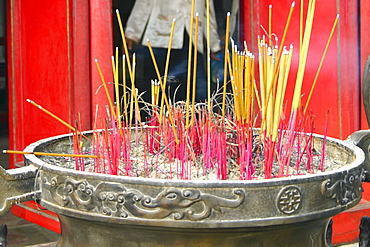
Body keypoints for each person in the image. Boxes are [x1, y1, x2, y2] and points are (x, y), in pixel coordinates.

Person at [124, 0, 221, 103]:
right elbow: (144, 2)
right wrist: (132, 33)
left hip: (192, 41)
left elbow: (208, 12)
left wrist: (214, 44)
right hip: (162, 38)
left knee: (198, 91)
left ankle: (194, 117)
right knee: (160, 89)